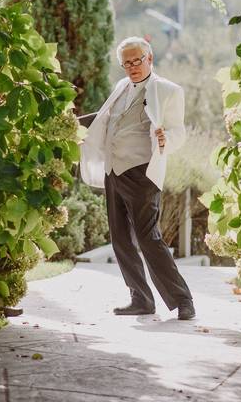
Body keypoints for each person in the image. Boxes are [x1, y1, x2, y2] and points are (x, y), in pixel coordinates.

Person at [79, 36, 195, 320]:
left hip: (142, 172)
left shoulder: (168, 90)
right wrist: (74, 123)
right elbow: (107, 117)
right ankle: (140, 298)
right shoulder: (121, 87)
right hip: (113, 171)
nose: (132, 67)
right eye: (126, 63)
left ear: (150, 59)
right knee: (120, 239)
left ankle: (183, 300)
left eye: (137, 60)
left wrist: (166, 138)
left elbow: (179, 130)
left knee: (148, 238)